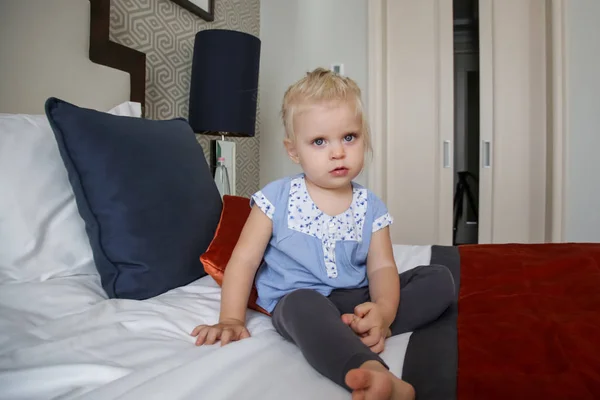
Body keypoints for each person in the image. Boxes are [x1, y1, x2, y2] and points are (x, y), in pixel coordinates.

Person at [191, 68, 455, 400]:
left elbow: (382, 268)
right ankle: (369, 369)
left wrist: (384, 312)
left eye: (349, 137)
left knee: (439, 278)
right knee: (303, 306)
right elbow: (243, 260)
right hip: (299, 301)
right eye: (319, 141)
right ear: (293, 150)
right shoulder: (275, 199)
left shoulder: (370, 206)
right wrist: (230, 317)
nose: (337, 152)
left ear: (364, 137)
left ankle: (355, 329)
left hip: (355, 298)